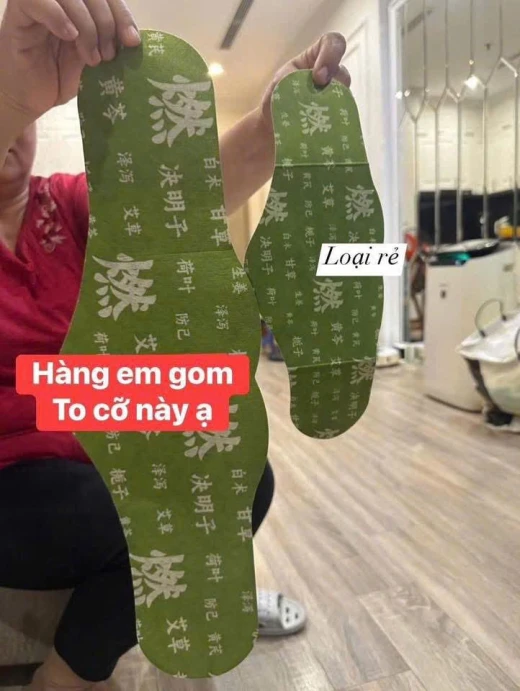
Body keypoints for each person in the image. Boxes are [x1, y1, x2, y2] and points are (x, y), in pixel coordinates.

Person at [0, 1, 351, 688]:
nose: (17, 138)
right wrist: (11, 98)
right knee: (117, 502)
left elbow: (182, 196)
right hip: (19, 479)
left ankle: (68, 670)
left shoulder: (63, 203)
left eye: (23, 123)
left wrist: (270, 127)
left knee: (241, 472)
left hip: (103, 437)